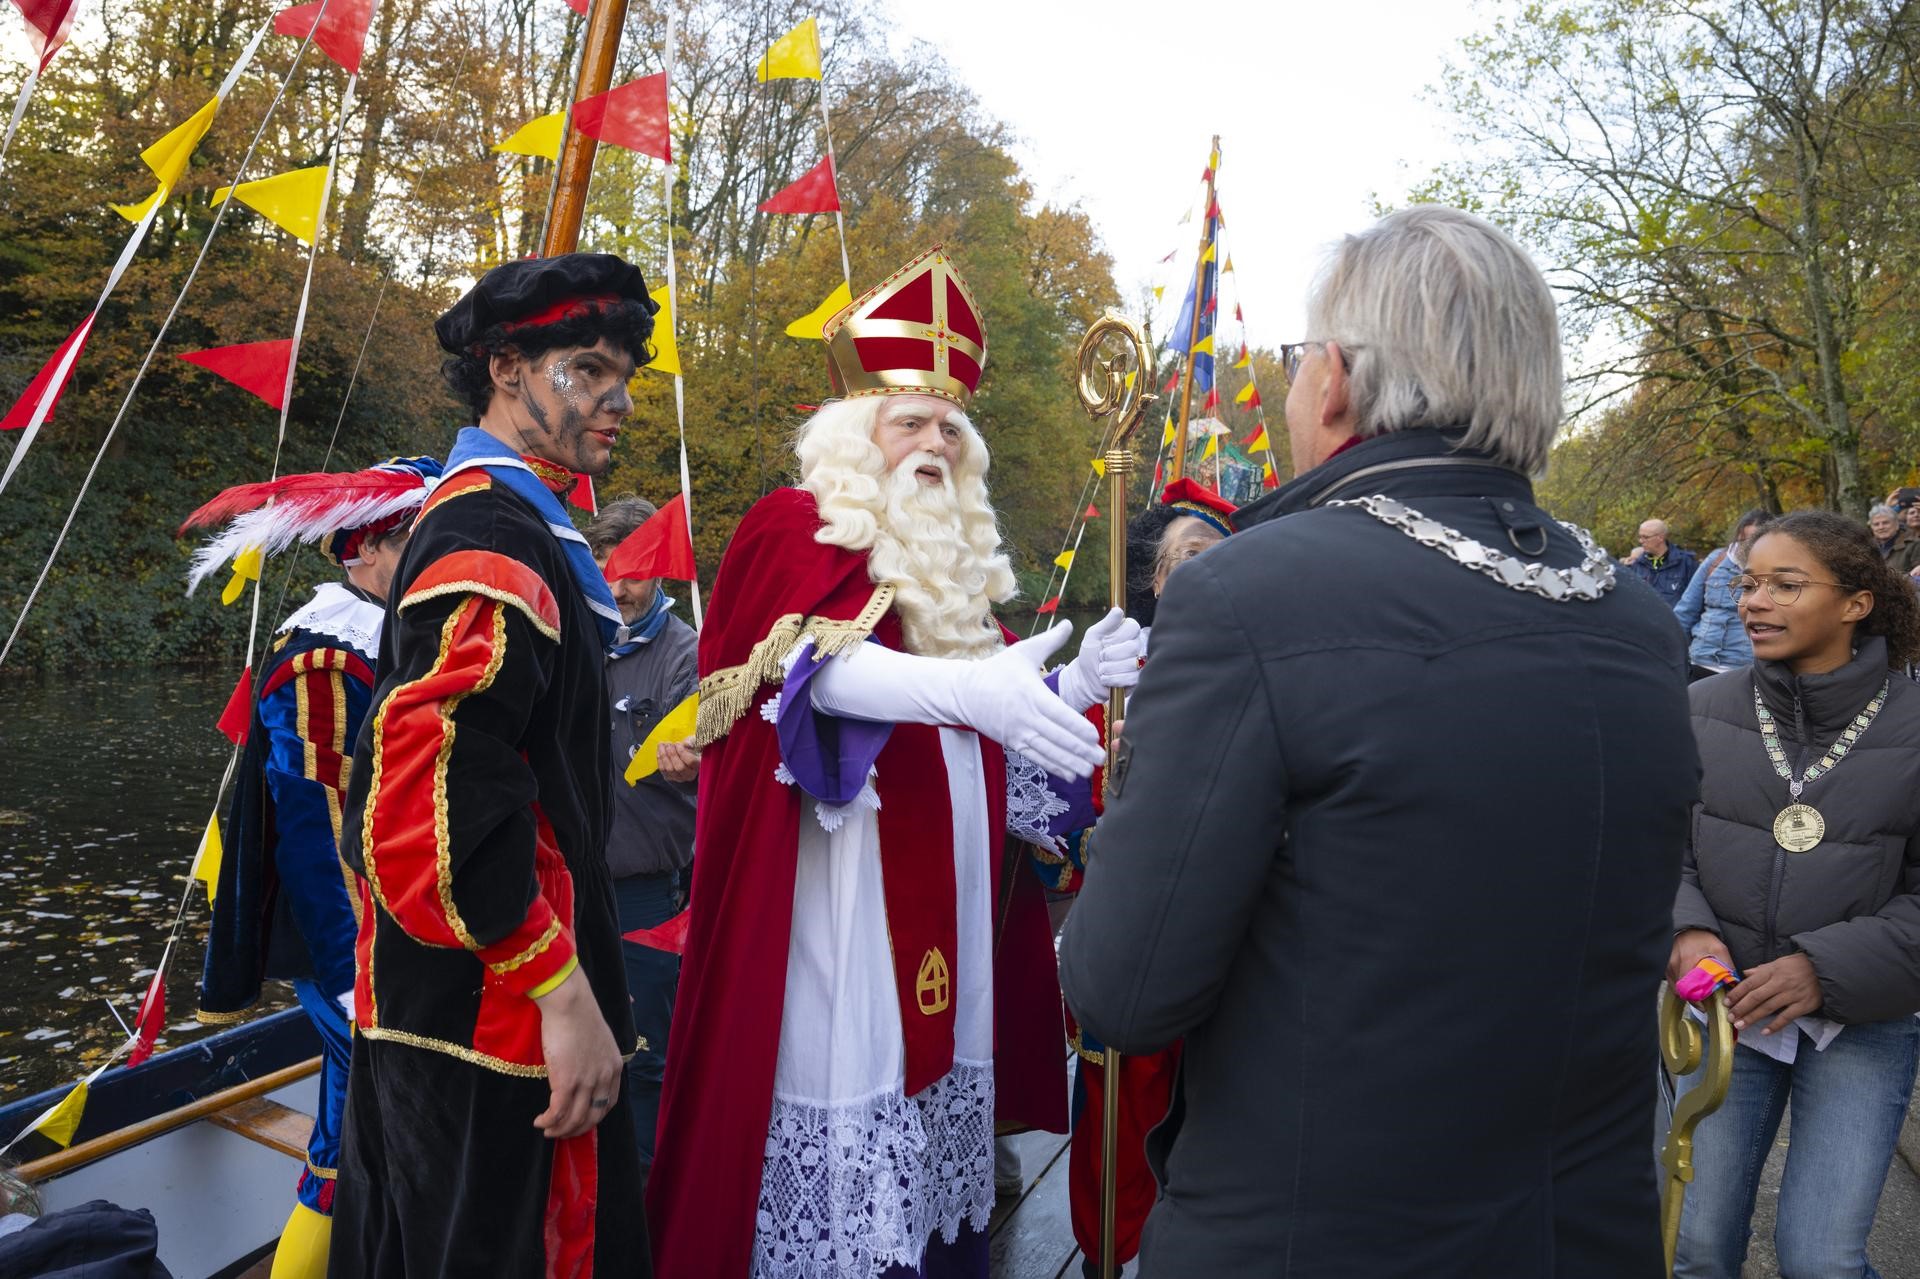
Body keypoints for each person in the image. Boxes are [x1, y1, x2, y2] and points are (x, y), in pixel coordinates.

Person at [1057, 205, 1699, 1276]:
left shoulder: (1254, 592)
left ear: (1340, 379)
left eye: (1303, 357)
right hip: (1577, 1235)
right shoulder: (1631, 613)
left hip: (1317, 1233)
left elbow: (1125, 991)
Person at [647, 245, 1137, 1278]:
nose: (934, 441)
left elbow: (981, 739)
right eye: (908, 420)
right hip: (839, 898)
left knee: (933, 1137)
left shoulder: (952, 575)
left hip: (950, 901)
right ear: (849, 435)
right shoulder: (795, 524)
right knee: (850, 1081)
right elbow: (816, 679)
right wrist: (968, 688)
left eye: (950, 427)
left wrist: (1074, 687)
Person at [331, 254, 657, 1277]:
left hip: (467, 999)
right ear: (508, 366)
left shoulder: (512, 520)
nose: (620, 398)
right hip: (494, 1016)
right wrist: (562, 994)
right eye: (590, 368)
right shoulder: (492, 532)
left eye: (625, 373)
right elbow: (422, 802)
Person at [179, 455, 440, 1279]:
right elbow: (315, 827)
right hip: (348, 939)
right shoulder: (326, 657)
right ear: (361, 550)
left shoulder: (395, 629)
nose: (432, 553)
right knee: (350, 1133)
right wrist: (352, 969)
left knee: (360, 1128)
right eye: (413, 538)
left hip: (400, 922)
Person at [1668, 510, 1920, 1279]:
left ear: (1856, 602)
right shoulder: (1701, 708)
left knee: (1820, 1259)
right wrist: (1686, 933)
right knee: (1697, 1245)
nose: (1753, 601)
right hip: (1725, 1010)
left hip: (1864, 1022)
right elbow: (1658, 849)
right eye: (1746, 583)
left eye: (1785, 584)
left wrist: (1825, 966)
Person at [1048, 476, 1235, 1279]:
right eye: (1186, 555)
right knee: (1119, 1112)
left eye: (1217, 558)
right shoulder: (1112, 680)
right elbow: (1060, 821)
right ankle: (1105, 1252)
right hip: (1132, 930)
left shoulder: (1258, 671)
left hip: (1233, 939)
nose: (1201, 568)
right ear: (1154, 579)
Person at [582, 496, 698, 1175]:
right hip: (567, 892)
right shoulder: (569, 641)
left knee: (646, 1063)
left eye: (636, 570)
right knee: (566, 1051)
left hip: (648, 899)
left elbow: (716, 769)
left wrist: (692, 766)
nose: (619, 586)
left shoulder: (689, 653)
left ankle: (647, 1224)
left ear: (660, 573)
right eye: (606, 565)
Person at [1674, 509, 1770, 680]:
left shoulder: (1776, 571)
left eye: (1754, 541)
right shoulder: (1716, 560)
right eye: (1742, 541)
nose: (1746, 547)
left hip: (1745, 665)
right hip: (1700, 658)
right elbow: (1686, 609)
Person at [1625, 517, 1700, 606]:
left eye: (1645, 537)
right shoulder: (1637, 564)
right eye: (1640, 537)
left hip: (1674, 618)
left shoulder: (1686, 562)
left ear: (1660, 538)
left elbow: (1696, 598)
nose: (1641, 541)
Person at [1866, 503, 1920, 576]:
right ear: (1871, 528)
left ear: (1897, 525)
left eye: (1885, 523)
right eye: (1876, 524)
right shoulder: (1866, 548)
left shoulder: (1914, 544)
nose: (1881, 527)